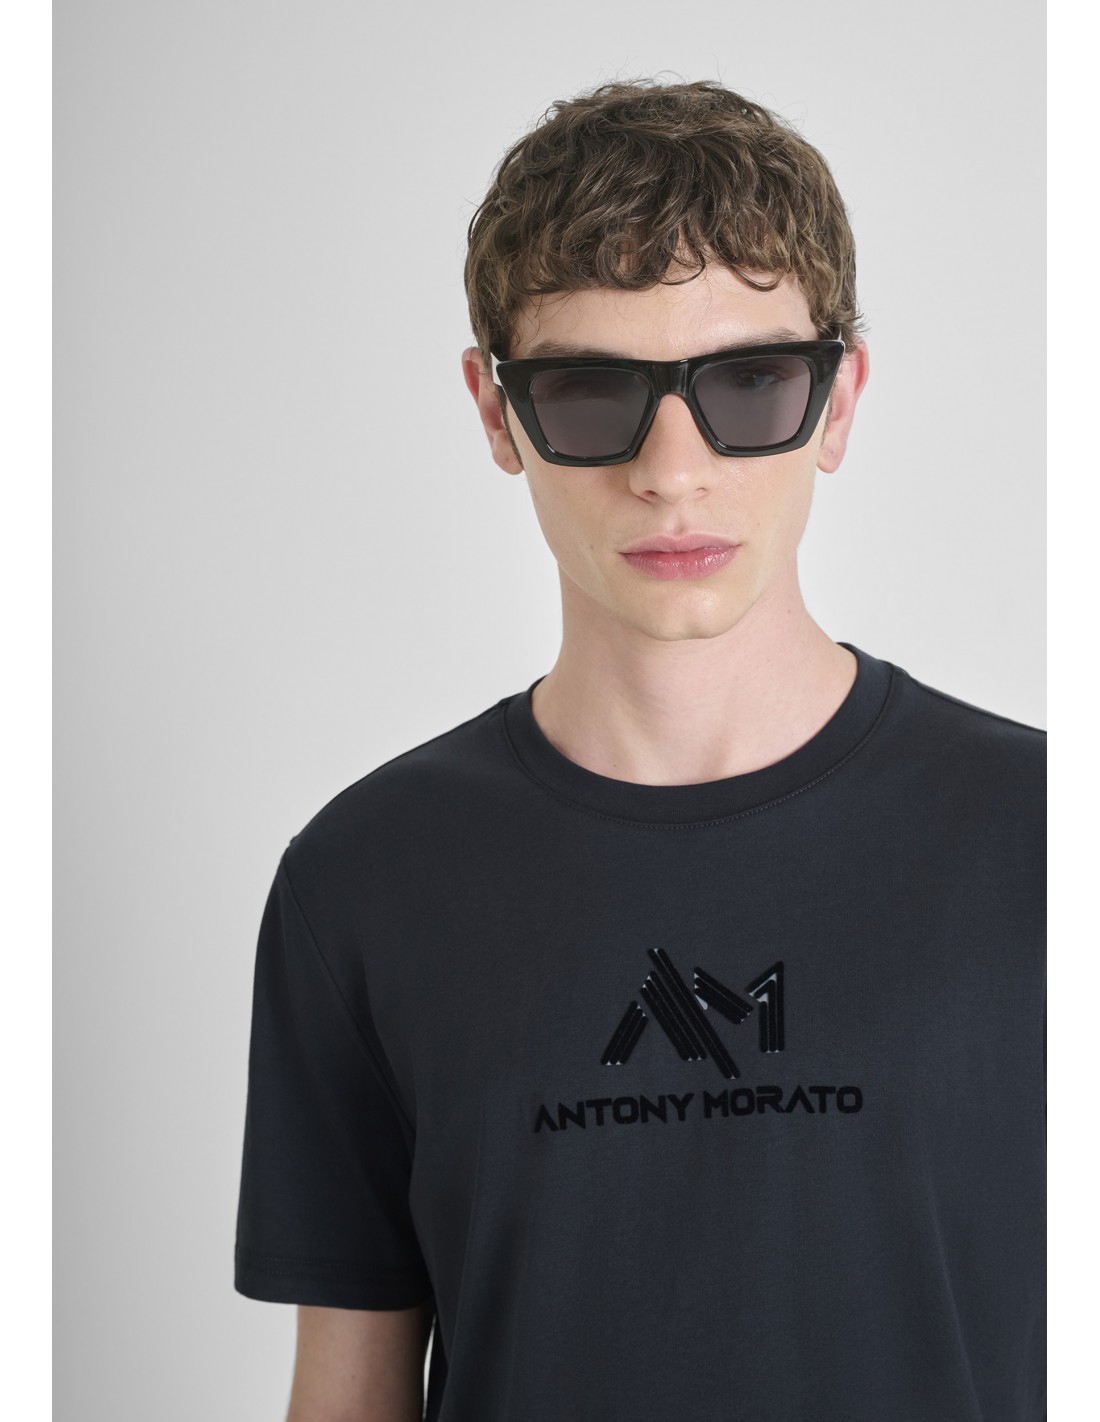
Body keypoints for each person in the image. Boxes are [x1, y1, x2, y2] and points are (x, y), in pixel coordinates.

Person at [234, 78, 1045, 1422]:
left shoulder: (1044, 842)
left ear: (839, 400)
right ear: (497, 413)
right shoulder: (366, 880)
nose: (673, 470)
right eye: (590, 392)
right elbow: (348, 1393)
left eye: (750, 383)